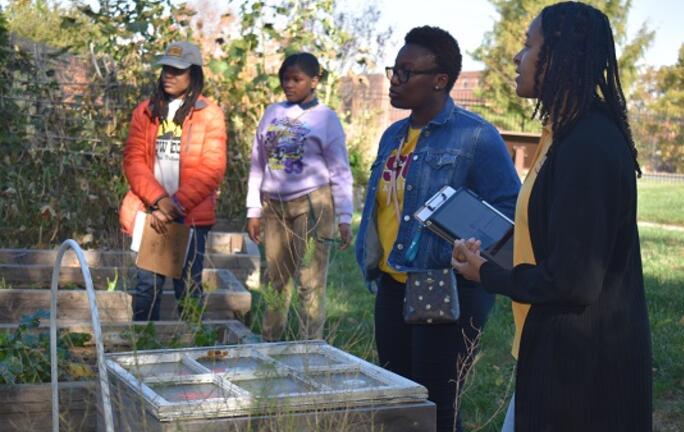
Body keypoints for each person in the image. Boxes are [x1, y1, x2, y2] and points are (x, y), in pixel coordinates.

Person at [451, 2, 653, 431]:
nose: (516, 56)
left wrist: (488, 274)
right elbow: (556, 237)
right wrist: (498, 255)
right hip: (553, 353)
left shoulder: (588, 145)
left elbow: (574, 280)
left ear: (560, 56)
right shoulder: (563, 133)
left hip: (581, 375)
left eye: (528, 45)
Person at [354, 26, 521, 432]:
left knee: (436, 404)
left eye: (407, 72)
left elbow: (510, 207)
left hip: (446, 288)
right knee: (398, 397)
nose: (395, 79)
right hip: (392, 285)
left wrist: (466, 248)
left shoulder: (476, 136)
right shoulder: (392, 135)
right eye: (395, 69)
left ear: (440, 80)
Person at [246, 52, 353, 342]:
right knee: (274, 278)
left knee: (310, 280)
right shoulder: (272, 113)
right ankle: (270, 342)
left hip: (312, 205)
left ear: (315, 81)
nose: (289, 85)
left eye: (297, 79)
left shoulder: (326, 119)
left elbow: (340, 170)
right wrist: (253, 209)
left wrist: (344, 215)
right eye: (285, 79)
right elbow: (258, 162)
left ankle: (310, 348)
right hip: (274, 206)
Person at [119, 41, 227, 321]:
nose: (169, 75)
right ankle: (143, 353)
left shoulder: (210, 115)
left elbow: (212, 168)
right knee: (146, 289)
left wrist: (175, 205)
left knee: (188, 289)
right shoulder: (145, 111)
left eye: (177, 70)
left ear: (194, 74)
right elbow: (133, 161)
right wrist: (158, 201)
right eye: (166, 68)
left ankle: (191, 351)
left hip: (188, 215)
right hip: (151, 213)